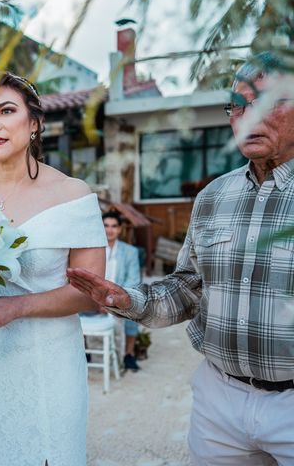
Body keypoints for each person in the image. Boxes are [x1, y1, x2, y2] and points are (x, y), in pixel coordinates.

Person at [67, 51, 294, 465]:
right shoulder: (212, 197)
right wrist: (126, 298)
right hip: (219, 401)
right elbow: (188, 289)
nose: (248, 116)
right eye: (237, 105)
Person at [0, 72, 107, 465]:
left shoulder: (73, 195)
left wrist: (16, 307)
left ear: (35, 123)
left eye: (6, 111)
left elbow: (91, 293)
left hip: (48, 363)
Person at [102, 210, 142, 370]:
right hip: (95, 296)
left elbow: (133, 280)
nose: (109, 230)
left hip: (120, 295)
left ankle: (128, 354)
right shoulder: (93, 251)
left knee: (134, 306)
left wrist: (114, 299)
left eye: (113, 226)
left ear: (119, 229)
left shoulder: (130, 252)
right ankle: (86, 351)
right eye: (105, 226)